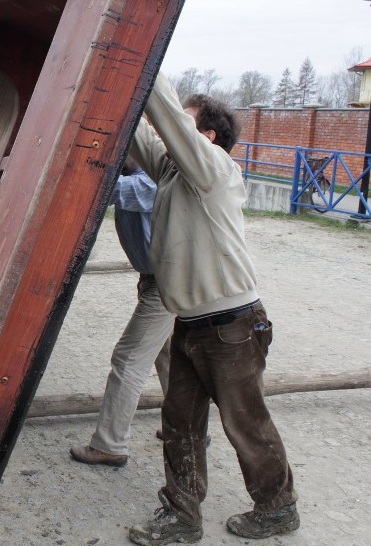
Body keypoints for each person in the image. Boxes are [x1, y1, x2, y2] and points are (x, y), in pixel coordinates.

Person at [126, 74, 299, 545]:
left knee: (245, 421)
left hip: (232, 327)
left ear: (207, 138)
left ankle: (277, 507)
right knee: (179, 423)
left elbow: (165, 121)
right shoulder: (172, 171)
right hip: (191, 323)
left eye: (182, 126)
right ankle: (182, 516)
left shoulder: (215, 169)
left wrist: (148, 65)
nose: (170, 134)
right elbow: (144, 133)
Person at [70, 159, 173, 467]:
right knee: (169, 356)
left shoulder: (150, 181)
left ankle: (110, 444)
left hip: (167, 285)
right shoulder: (135, 175)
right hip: (157, 280)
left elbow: (102, 188)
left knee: (128, 360)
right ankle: (185, 427)